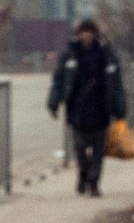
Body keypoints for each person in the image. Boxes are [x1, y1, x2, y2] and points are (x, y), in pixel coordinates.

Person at [47, 18, 126, 197]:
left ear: (95, 33)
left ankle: (95, 182)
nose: (87, 35)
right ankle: (83, 174)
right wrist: (54, 103)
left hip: (100, 107)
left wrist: (119, 108)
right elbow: (59, 80)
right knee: (80, 148)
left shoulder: (105, 54)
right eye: (84, 32)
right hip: (77, 109)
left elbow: (116, 83)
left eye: (90, 32)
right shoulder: (70, 53)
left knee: (98, 150)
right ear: (79, 33)